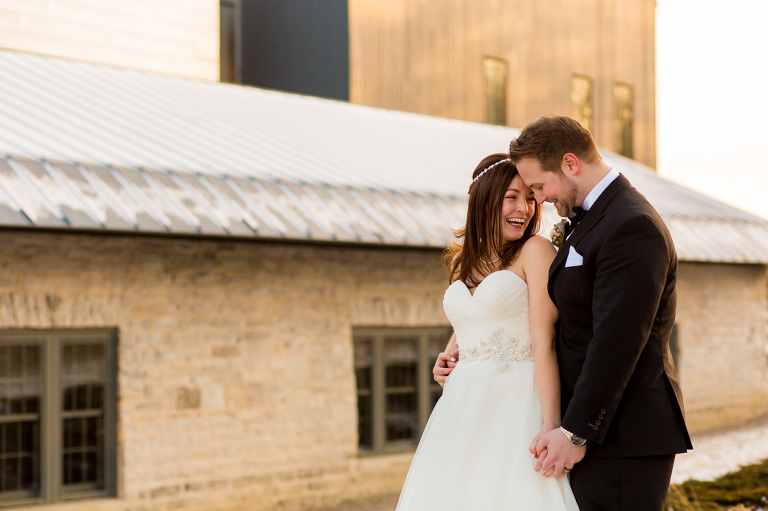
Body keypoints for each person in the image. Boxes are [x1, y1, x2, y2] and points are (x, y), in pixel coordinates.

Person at [504, 114, 691, 510]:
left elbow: (617, 341)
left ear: (571, 164)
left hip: (624, 437)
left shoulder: (632, 225)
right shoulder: (589, 219)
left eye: (539, 186)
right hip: (596, 434)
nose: (538, 199)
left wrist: (574, 432)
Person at [397, 154, 579, 510]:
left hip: (517, 399)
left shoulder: (535, 251)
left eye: (529, 197)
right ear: (486, 200)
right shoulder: (465, 259)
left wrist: (552, 423)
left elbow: (544, 342)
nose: (524, 208)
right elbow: (475, 319)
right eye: (512, 197)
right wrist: (449, 354)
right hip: (463, 405)